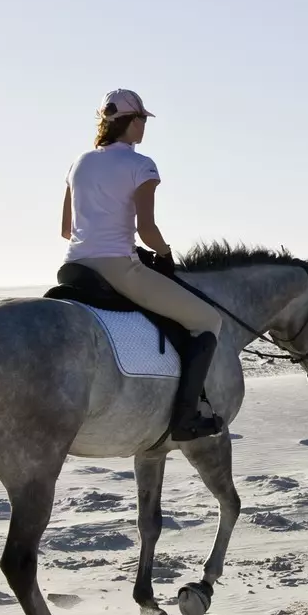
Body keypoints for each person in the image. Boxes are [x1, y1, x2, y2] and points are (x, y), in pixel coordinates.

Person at [61, 89, 227, 441]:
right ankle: (185, 419)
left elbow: (66, 229)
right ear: (131, 122)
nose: (144, 127)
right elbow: (147, 228)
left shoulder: (79, 162)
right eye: (142, 120)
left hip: (73, 266)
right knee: (208, 320)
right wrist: (165, 254)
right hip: (119, 269)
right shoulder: (141, 165)